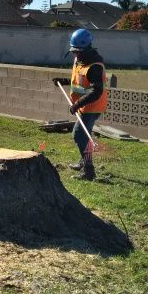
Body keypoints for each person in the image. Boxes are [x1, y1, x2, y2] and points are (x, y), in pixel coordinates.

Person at [53, 28, 108, 181]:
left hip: (93, 105)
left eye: (77, 51)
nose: (75, 54)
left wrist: (77, 104)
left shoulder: (95, 66)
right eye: (73, 51)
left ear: (86, 48)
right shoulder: (80, 59)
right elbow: (79, 80)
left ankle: (89, 171)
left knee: (78, 134)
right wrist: (63, 81)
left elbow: (96, 92)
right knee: (84, 135)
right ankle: (83, 162)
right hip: (84, 104)